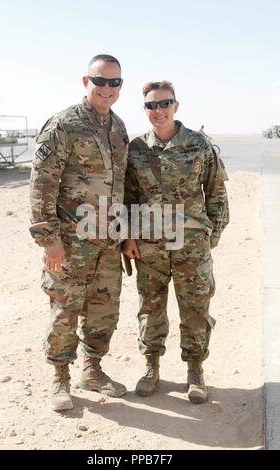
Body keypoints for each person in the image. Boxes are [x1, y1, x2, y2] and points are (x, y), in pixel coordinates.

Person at [29, 54, 129, 411]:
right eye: (99, 81)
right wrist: (50, 241)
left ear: (120, 86)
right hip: (71, 243)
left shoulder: (118, 128)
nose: (106, 88)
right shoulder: (64, 124)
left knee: (104, 310)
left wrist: (126, 233)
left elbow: (121, 187)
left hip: (108, 241)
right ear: (85, 82)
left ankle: (93, 369)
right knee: (65, 309)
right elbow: (42, 184)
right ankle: (60, 378)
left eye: (113, 82)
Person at [123, 81, 229, 404]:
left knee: (195, 308)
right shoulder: (136, 149)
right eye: (152, 105)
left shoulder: (199, 145)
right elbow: (127, 197)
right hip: (149, 247)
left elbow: (217, 194)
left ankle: (195, 370)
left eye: (164, 103)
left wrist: (211, 236)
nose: (159, 110)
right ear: (145, 109)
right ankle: (151, 366)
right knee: (150, 308)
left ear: (176, 105)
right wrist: (127, 236)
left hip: (191, 246)